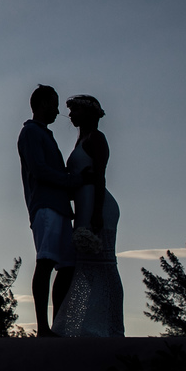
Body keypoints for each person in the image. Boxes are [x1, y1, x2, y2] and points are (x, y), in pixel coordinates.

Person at [52, 94, 125, 337]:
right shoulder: (80, 141)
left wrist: (96, 214)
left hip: (98, 207)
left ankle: (110, 324)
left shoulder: (96, 138)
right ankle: (76, 326)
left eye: (75, 111)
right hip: (84, 206)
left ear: (88, 113)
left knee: (103, 266)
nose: (70, 115)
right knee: (82, 268)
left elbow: (101, 176)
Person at [18, 84, 86, 337]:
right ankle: (43, 326)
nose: (59, 111)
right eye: (55, 104)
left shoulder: (45, 135)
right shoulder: (31, 134)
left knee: (67, 265)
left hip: (59, 207)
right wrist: (72, 181)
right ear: (44, 104)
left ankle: (57, 322)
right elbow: (40, 170)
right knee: (46, 261)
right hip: (45, 206)